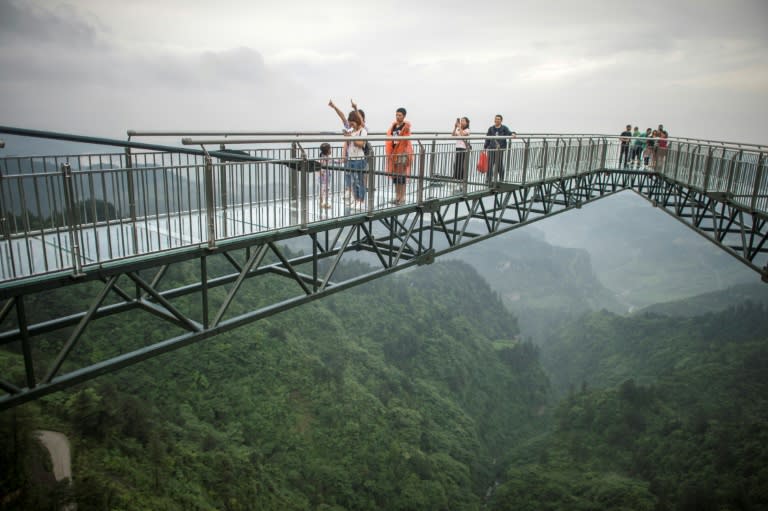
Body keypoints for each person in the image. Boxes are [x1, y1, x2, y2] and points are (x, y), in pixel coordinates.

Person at [385, 107, 413, 205]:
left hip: (402, 153)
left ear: (404, 116)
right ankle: (397, 196)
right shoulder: (393, 126)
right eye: (396, 115)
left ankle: (402, 197)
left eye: (400, 115)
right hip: (394, 153)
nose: (397, 117)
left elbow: (406, 141)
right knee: (395, 176)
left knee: (401, 176)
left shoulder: (406, 127)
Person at [342, 111, 368, 209]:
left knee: (360, 181)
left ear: (356, 121)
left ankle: (361, 201)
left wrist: (351, 137)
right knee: (353, 181)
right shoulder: (352, 131)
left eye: (352, 123)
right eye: (350, 123)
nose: (351, 125)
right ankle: (356, 199)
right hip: (351, 158)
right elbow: (349, 144)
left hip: (359, 159)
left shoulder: (363, 131)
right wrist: (347, 137)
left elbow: (361, 144)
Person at [483, 114, 513, 184]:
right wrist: (485, 146)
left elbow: (509, 133)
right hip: (492, 148)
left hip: (500, 148)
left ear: (501, 120)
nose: (497, 120)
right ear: (494, 120)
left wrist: (513, 134)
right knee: (490, 164)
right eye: (496, 119)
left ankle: (501, 178)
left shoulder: (504, 128)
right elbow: (488, 138)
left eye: (498, 119)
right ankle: (489, 178)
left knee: (499, 163)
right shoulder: (491, 128)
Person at [452, 117, 471, 190]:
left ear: (467, 123)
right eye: (461, 121)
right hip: (458, 147)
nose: (462, 122)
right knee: (456, 164)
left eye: (463, 121)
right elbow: (453, 135)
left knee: (461, 164)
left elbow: (463, 134)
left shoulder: (467, 130)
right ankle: (456, 179)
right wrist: (455, 127)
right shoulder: (459, 129)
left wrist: (459, 127)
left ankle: (461, 180)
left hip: (464, 148)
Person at [318, 142, 332, 209]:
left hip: (325, 175)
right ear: (327, 151)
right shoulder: (323, 158)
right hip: (324, 175)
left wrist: (341, 160)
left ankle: (323, 200)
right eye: (330, 149)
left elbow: (333, 160)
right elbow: (320, 165)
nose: (331, 150)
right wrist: (321, 171)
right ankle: (324, 201)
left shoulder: (326, 157)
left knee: (324, 188)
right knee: (325, 188)